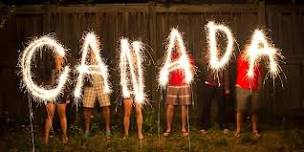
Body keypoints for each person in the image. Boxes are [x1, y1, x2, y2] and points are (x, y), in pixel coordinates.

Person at [163, 44, 194, 137]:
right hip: (172, 84)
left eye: (180, 46)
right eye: (177, 47)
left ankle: (183, 128)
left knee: (184, 106)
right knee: (170, 106)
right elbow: (166, 69)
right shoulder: (171, 56)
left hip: (184, 85)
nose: (178, 48)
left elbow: (192, 71)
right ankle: (168, 129)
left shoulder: (188, 57)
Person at [200, 50, 230, 134]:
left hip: (220, 85)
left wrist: (227, 88)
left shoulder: (223, 60)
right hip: (209, 84)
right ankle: (204, 126)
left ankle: (223, 126)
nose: (216, 51)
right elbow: (203, 64)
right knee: (206, 105)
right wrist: (208, 56)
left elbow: (226, 74)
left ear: (220, 51)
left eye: (218, 49)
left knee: (222, 106)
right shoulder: (208, 59)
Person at [83, 52, 111, 139]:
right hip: (89, 85)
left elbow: (109, 66)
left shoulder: (103, 55)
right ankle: (87, 130)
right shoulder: (86, 55)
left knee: (106, 107)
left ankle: (108, 129)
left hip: (101, 84)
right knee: (87, 108)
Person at [235, 47, 262, 138]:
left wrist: (259, 85)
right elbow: (245, 57)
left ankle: (254, 130)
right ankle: (238, 130)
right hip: (242, 87)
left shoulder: (256, 61)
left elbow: (259, 74)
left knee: (254, 110)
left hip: (254, 88)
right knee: (240, 109)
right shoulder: (242, 58)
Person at [43, 55, 69, 144]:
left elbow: (68, 84)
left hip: (61, 95)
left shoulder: (66, 70)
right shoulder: (50, 69)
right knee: (50, 115)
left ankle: (64, 136)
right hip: (51, 94)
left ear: (63, 59)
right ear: (54, 59)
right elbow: (48, 82)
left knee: (62, 115)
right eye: (57, 57)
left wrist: (68, 96)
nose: (58, 59)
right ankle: (46, 137)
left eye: (60, 58)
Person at [122, 53, 144, 140]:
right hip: (128, 91)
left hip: (138, 91)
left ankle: (139, 132)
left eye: (135, 56)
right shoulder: (126, 68)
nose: (133, 58)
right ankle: (126, 134)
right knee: (127, 113)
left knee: (138, 111)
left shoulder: (139, 68)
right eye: (132, 56)